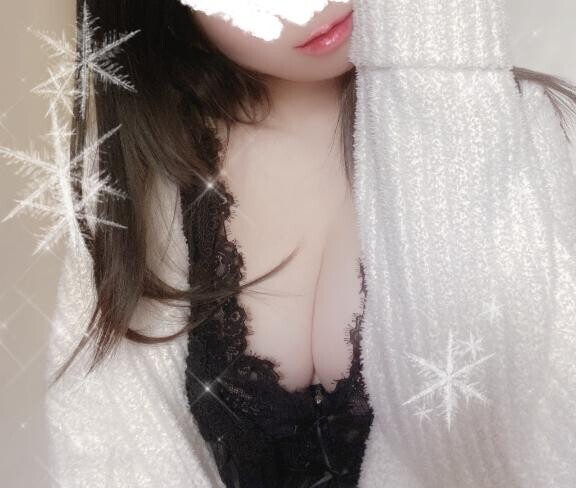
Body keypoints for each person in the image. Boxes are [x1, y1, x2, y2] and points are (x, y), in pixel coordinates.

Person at [44, 0, 576, 487]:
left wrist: (441, 79)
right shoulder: (130, 189)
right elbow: (105, 452)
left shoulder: (534, 134)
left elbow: (520, 430)